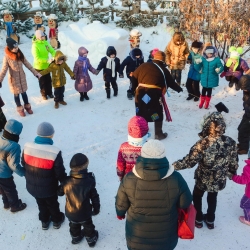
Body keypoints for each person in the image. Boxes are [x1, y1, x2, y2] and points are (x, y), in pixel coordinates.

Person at [116, 139, 192, 250]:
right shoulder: (176, 178)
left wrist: (120, 213)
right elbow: (185, 203)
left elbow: (121, 203)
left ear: (143, 155)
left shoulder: (129, 179)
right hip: (166, 238)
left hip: (137, 238)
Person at [173, 112, 239, 229]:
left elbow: (189, 161)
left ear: (208, 126)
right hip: (218, 179)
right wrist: (232, 172)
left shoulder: (203, 144)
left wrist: (173, 166)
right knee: (213, 197)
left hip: (202, 178)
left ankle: (198, 218)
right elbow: (234, 161)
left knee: (197, 196)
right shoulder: (230, 142)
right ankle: (210, 219)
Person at [22, 122, 66, 230]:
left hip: (32, 187)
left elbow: (24, 164)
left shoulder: (27, 147)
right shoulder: (54, 152)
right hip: (49, 188)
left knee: (41, 204)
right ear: (51, 135)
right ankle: (56, 220)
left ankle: (44, 221)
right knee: (52, 204)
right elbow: (59, 172)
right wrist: (64, 182)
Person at [130, 51, 183, 140]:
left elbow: (134, 77)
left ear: (154, 58)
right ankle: (158, 134)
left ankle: (142, 131)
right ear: (163, 59)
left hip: (141, 93)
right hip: (154, 94)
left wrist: (133, 90)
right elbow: (171, 83)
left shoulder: (143, 65)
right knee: (156, 112)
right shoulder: (163, 69)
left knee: (142, 111)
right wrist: (179, 89)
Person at [58, 153, 100, 246]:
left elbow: (60, 193)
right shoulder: (89, 181)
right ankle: (91, 240)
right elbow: (94, 197)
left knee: (74, 226)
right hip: (85, 213)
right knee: (88, 226)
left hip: (70, 212)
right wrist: (96, 209)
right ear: (86, 166)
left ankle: (75, 238)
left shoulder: (66, 181)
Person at [0, 38, 41, 116]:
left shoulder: (20, 54)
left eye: (17, 47)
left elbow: (28, 64)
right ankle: (20, 108)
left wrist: (36, 73)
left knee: (24, 93)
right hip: (14, 80)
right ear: (10, 48)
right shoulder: (7, 57)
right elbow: (3, 70)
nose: (16, 49)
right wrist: (0, 80)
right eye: (14, 48)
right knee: (16, 95)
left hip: (22, 78)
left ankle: (27, 106)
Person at [0, 119, 27, 212]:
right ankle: (15, 206)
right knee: (10, 190)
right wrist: (24, 172)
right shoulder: (14, 146)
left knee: (2, 189)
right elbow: (13, 165)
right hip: (4, 174)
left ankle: (6, 203)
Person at [117, 116, 150, 181]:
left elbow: (120, 165)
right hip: (145, 180)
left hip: (129, 180)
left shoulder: (123, 147)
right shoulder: (149, 147)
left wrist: (120, 176)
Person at [32, 29, 56, 100]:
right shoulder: (35, 45)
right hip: (39, 67)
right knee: (42, 81)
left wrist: (54, 56)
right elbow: (37, 58)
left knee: (48, 80)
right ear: (38, 37)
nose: (44, 37)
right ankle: (44, 94)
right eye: (42, 36)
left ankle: (50, 93)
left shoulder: (45, 43)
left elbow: (51, 50)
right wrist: (46, 60)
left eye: (44, 36)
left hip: (47, 66)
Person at [231, 149, 250, 226]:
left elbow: (244, 180)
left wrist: (233, 177)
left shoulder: (248, 168)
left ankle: (247, 219)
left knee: (244, 204)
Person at [237, 75, 250, 154]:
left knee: (243, 131)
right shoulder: (246, 91)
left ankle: (244, 148)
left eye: (245, 88)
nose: (244, 90)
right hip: (247, 113)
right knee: (240, 128)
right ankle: (242, 144)